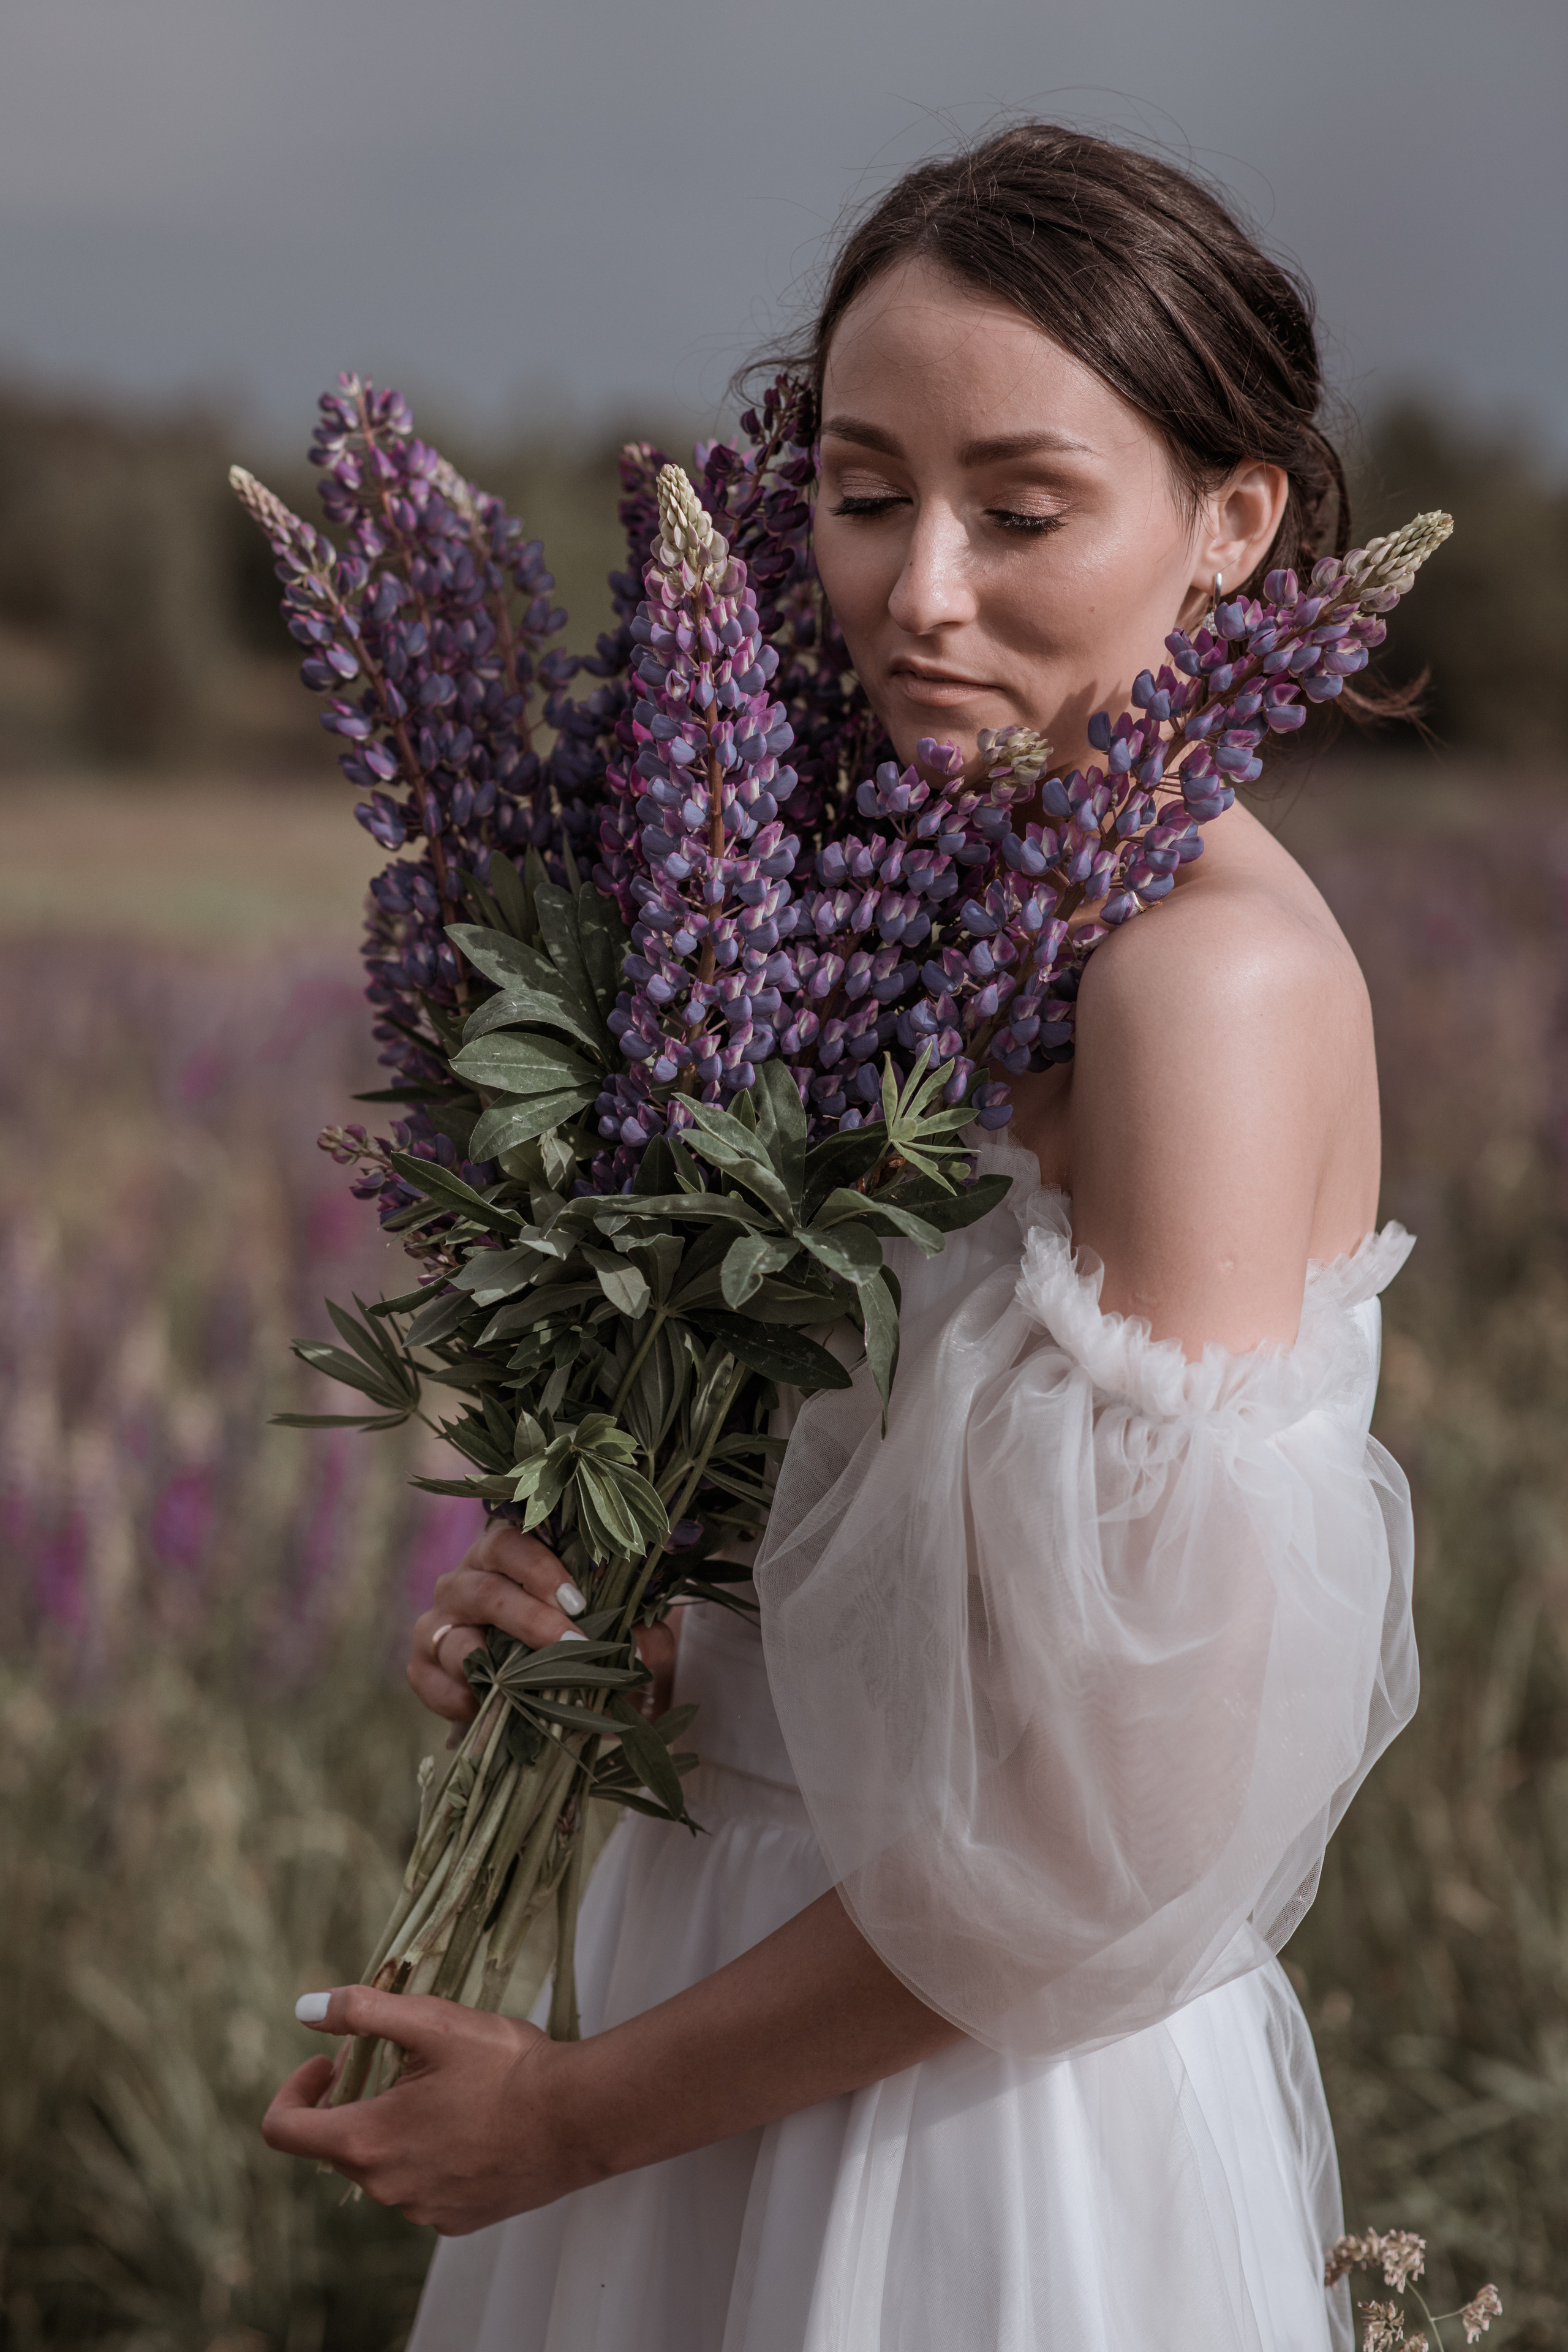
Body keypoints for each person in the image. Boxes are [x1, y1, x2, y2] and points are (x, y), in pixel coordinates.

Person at [265, 125, 1418, 2351]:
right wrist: (639, 1656)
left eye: (1023, 507)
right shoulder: (897, 903)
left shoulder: (1202, 985)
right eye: (869, 494)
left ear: (1235, 523)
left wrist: (573, 2123)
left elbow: (1110, 1838)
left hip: (958, 2127)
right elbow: (913, 1617)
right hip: (720, 1970)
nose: (920, 594)